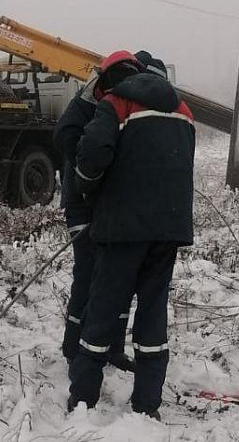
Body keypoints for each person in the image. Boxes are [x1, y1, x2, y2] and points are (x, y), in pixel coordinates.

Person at [68, 50, 196, 420]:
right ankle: (147, 404)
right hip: (168, 230)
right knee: (153, 311)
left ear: (110, 79)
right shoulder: (183, 110)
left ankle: (82, 400)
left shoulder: (116, 103)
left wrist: (87, 188)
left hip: (122, 229)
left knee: (103, 310)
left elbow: (91, 155)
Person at [52, 52, 142, 373]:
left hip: (109, 206)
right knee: (88, 273)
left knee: (118, 279)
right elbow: (63, 135)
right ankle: (73, 348)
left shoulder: (130, 103)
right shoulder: (85, 103)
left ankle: (112, 348)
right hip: (81, 204)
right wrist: (87, 168)